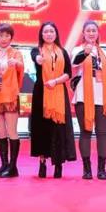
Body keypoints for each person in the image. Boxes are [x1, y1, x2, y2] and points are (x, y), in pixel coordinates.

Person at [71, 20, 106, 180]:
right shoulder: (78, 50)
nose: (91, 33)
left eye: (94, 30)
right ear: (83, 34)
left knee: (102, 133)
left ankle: (101, 168)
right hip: (83, 96)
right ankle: (87, 169)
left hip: (102, 97)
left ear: (98, 33)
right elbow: (74, 63)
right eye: (88, 31)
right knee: (85, 132)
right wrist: (85, 52)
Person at [29, 21, 76, 178]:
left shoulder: (63, 51)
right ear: (41, 35)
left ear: (56, 34)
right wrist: (38, 59)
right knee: (42, 128)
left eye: (51, 31)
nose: (48, 34)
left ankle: (58, 165)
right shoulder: (37, 50)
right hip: (41, 93)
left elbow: (68, 73)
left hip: (58, 91)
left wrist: (55, 81)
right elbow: (35, 57)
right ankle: (42, 162)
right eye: (45, 32)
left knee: (58, 129)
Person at [0, 23, 24, 178]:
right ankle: (4, 164)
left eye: (7, 35)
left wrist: (17, 64)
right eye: (1, 35)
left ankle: (13, 166)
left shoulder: (16, 53)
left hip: (10, 96)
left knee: (12, 131)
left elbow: (21, 68)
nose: (3, 39)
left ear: (11, 37)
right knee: (0, 132)